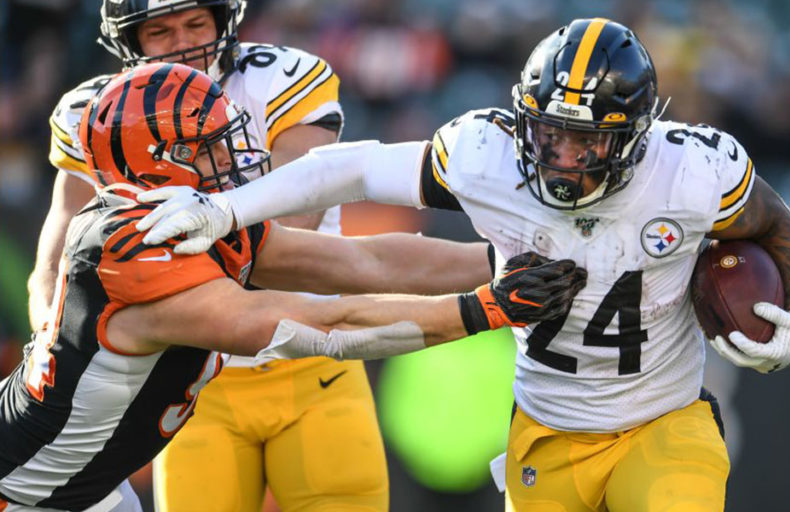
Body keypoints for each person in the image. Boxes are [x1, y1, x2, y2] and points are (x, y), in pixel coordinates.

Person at [136, 18, 790, 512]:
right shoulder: (485, 155)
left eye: (585, 143)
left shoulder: (693, 170)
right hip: (545, 431)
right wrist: (230, 210)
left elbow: (773, 220)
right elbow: (348, 168)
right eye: (549, 134)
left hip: (663, 421)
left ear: (635, 140)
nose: (561, 158)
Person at [0, 63, 586, 512]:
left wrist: (500, 259)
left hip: (88, 486)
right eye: (209, 146)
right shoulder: (131, 251)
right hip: (26, 491)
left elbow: (362, 262)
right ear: (160, 160)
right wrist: (485, 309)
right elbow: (319, 326)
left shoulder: (183, 221)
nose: (231, 157)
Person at [28, 1, 426, 509]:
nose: (184, 43)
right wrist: (52, 339)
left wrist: (157, 258)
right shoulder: (98, 112)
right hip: (191, 383)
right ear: (129, 42)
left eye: (196, 24)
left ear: (224, 21)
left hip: (312, 356)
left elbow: (283, 229)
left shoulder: (280, 79)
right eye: (161, 31)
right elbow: (57, 256)